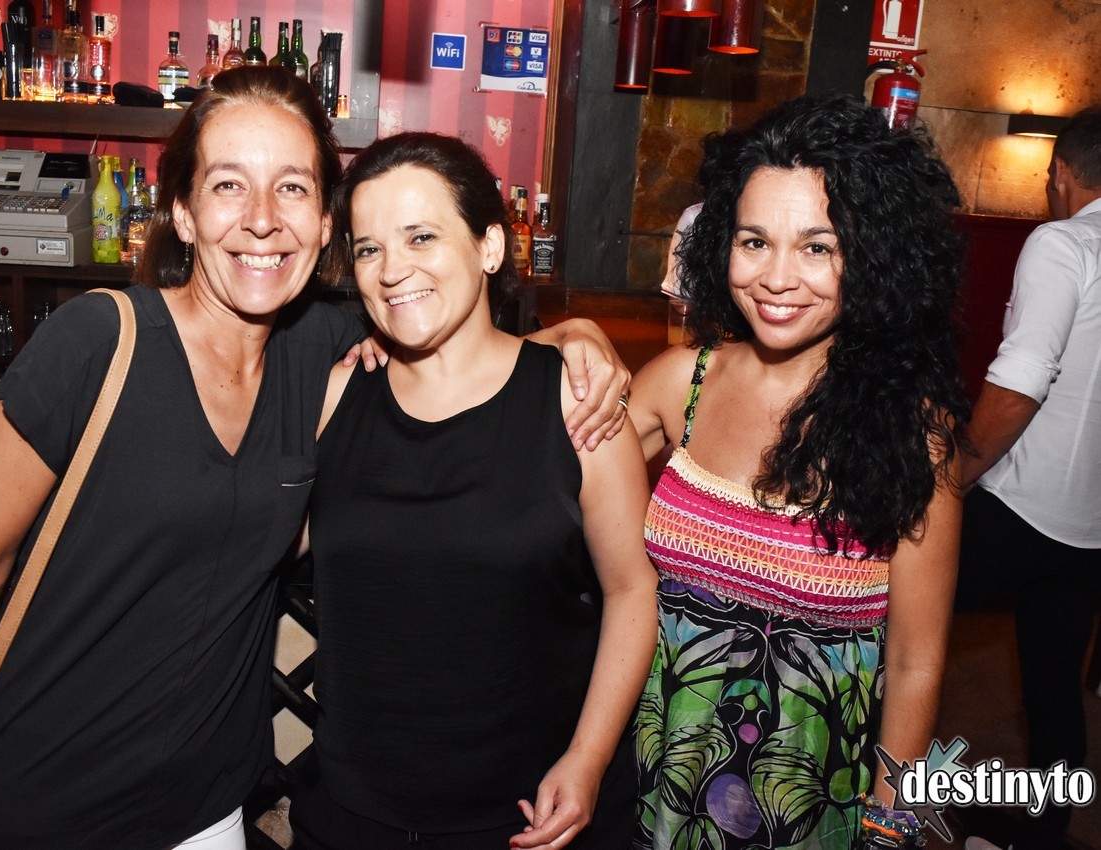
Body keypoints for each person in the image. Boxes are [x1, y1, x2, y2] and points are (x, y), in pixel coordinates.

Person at [0, 68, 630, 850]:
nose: (260, 220)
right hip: (35, 799)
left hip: (205, 810)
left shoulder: (323, 353)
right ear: (183, 213)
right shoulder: (94, 343)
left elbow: (451, 333)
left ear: (322, 225)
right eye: (227, 186)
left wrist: (573, 337)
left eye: (291, 188)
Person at [287, 133, 658, 850]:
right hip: (353, 810)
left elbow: (631, 589)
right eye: (368, 249)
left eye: (421, 236)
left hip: (525, 812)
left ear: (489, 247)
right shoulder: (334, 396)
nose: (393, 270)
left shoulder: (574, 400)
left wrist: (588, 759)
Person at [627, 95, 968, 849]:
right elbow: (542, 454)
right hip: (656, 778)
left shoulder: (911, 437)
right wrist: (569, 339)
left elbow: (915, 663)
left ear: (872, 255)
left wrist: (890, 829)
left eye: (817, 247)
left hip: (812, 803)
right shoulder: (681, 384)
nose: (777, 278)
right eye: (754, 241)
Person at [957, 106, 1101, 850]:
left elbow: (1018, 385)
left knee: (888, 632)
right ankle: (1043, 840)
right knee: (1053, 689)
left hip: (1015, 508)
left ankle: (861, 807)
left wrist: (952, 474)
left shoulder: (1061, 241)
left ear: (1061, 175)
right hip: (1092, 527)